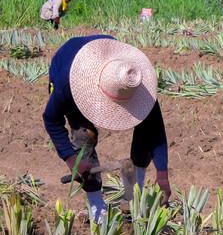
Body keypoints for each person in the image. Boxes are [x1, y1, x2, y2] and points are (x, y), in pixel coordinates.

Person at [42, 35, 171, 222]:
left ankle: (135, 196)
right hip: (69, 66)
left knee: (145, 126)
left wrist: (162, 174)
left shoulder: (132, 79)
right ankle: (97, 207)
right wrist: (72, 159)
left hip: (110, 63)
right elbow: (51, 119)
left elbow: (155, 130)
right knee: (84, 134)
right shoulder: (67, 83)